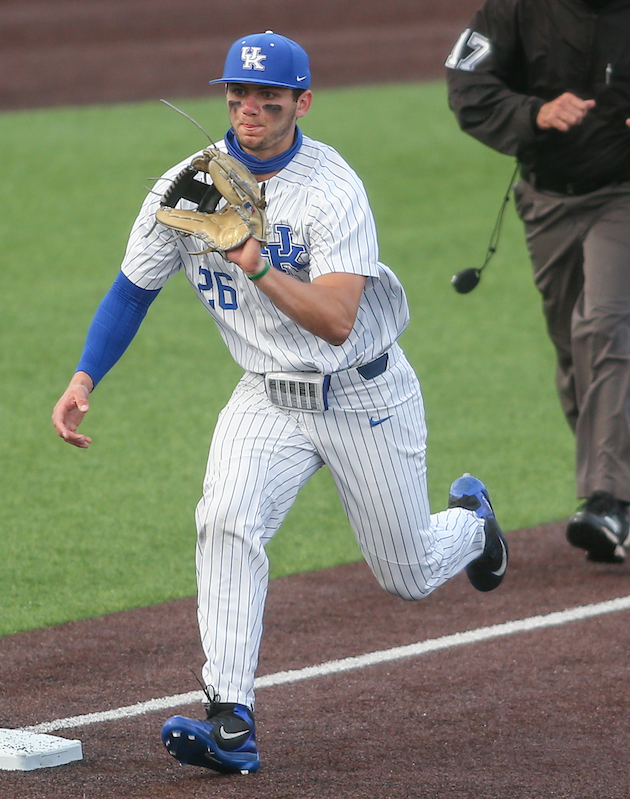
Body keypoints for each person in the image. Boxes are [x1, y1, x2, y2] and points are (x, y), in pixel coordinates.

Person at [52, 31, 508, 775]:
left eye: (269, 98)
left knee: (408, 572)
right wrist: (84, 377)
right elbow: (132, 290)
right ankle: (230, 719)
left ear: (303, 102)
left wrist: (256, 263)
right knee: (225, 519)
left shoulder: (333, 190)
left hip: (363, 392)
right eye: (240, 95)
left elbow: (337, 320)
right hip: (266, 397)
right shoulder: (188, 186)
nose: (251, 109)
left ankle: (474, 525)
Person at [445, 0, 630, 564]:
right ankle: (613, 462)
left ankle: (607, 501)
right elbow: (467, 85)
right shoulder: (515, 8)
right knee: (573, 347)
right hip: (545, 197)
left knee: (603, 323)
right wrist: (534, 113)